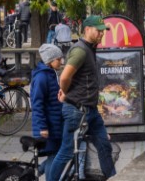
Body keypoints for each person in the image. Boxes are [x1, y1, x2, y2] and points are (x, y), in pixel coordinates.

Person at [48, 16, 116, 181]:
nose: (101, 33)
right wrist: (65, 92)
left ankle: (114, 177)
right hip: (77, 111)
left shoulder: (90, 48)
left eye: (102, 30)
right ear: (87, 29)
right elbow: (64, 77)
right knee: (66, 152)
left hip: (90, 111)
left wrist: (67, 91)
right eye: (98, 30)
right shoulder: (80, 50)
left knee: (105, 146)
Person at [30, 44, 63, 177]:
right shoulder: (42, 77)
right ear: (50, 60)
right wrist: (42, 127)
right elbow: (37, 104)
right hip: (47, 127)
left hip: (54, 124)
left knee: (55, 155)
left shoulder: (51, 74)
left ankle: (30, 175)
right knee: (53, 156)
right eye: (58, 59)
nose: (61, 61)